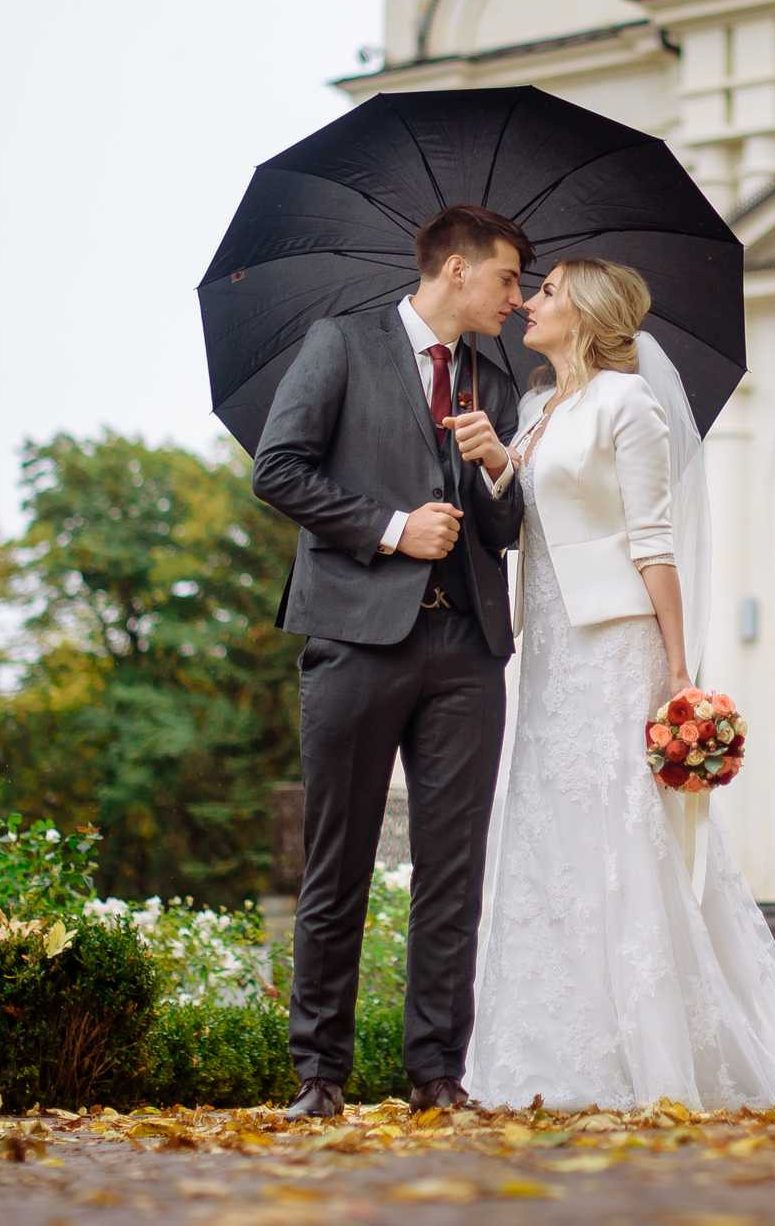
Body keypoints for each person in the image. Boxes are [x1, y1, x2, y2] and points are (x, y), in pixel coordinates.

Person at [454, 259, 775, 1111]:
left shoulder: (629, 406)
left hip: (618, 642)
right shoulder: (533, 410)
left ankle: (652, 1047)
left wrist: (675, 672)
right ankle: (549, 1055)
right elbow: (525, 521)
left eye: (547, 290)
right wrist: (492, 461)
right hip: (551, 644)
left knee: (624, 830)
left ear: (586, 313)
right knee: (552, 830)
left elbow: (653, 541)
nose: (529, 301)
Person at [251, 203, 532, 1120]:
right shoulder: (340, 343)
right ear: (457, 269)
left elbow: (506, 530)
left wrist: (496, 470)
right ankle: (318, 1075)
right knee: (338, 862)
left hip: (467, 651)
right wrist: (390, 529)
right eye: (506, 278)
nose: (516, 298)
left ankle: (436, 1075)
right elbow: (278, 468)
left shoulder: (496, 377)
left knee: (452, 873)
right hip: (356, 639)